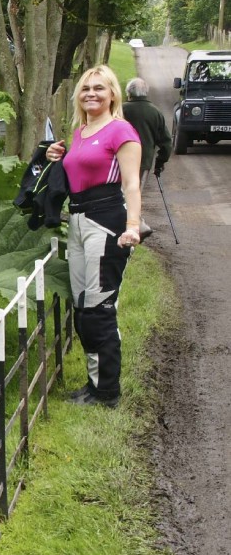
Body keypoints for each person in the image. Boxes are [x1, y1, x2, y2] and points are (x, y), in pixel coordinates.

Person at [46, 65, 142, 408]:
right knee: (83, 306)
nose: (91, 94)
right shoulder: (81, 132)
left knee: (99, 307)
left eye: (99, 88)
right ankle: (94, 382)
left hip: (106, 222)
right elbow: (77, 170)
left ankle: (107, 392)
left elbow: (131, 183)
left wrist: (133, 226)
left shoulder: (122, 131)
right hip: (78, 219)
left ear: (113, 94)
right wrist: (56, 156)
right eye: (86, 88)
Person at [122, 77, 172, 238]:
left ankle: (133, 226)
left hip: (119, 160)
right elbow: (166, 142)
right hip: (143, 161)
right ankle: (136, 226)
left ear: (128, 92)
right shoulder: (155, 112)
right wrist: (160, 163)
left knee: (120, 193)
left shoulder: (120, 110)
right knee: (135, 192)